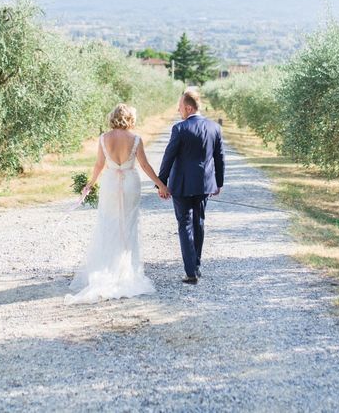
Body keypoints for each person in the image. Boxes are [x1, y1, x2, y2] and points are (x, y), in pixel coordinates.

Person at [64, 103, 168, 305]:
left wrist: (89, 185)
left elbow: (99, 165)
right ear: (130, 119)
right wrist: (161, 186)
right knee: (128, 226)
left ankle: (107, 269)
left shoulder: (104, 138)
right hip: (130, 183)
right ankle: (126, 272)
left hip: (111, 183)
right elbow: (145, 165)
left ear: (113, 118)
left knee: (109, 224)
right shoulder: (136, 139)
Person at [158, 89, 224, 284]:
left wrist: (161, 183)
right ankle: (196, 264)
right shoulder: (214, 128)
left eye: (180, 108)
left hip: (181, 185)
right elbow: (220, 158)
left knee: (185, 224)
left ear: (188, 107)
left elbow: (168, 156)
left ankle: (191, 272)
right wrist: (218, 182)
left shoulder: (180, 129)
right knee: (199, 223)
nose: (179, 111)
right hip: (204, 185)